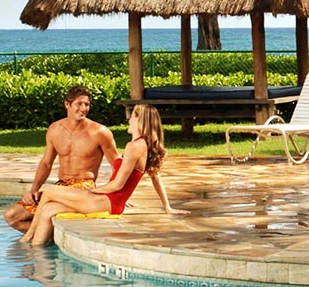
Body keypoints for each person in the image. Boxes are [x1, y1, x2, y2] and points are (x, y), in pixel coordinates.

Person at [21, 104, 188, 246]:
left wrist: (91, 192)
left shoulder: (135, 146)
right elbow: (155, 176)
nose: (129, 120)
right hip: (111, 201)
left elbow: (118, 185)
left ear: (140, 121)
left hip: (108, 201)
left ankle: (27, 238)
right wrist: (167, 206)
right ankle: (36, 252)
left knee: (50, 191)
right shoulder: (143, 146)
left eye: (132, 117)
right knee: (48, 209)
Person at [3, 85, 119, 233]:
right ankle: (51, 238)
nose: (83, 108)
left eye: (87, 104)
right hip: (60, 187)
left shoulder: (99, 132)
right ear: (67, 104)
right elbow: (46, 163)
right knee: (12, 216)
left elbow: (117, 165)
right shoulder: (54, 130)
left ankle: (39, 238)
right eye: (79, 104)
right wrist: (34, 189)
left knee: (44, 211)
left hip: (84, 188)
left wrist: (118, 196)